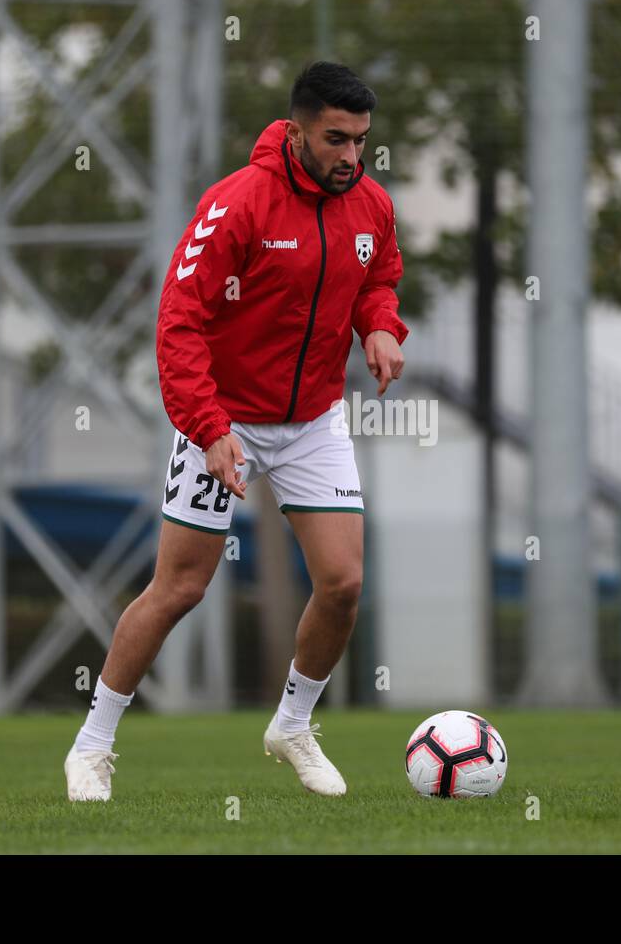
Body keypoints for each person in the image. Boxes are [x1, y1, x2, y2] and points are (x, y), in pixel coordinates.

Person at [65, 60, 408, 800]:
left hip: (314, 418)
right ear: (296, 131)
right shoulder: (238, 204)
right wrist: (209, 425)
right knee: (180, 588)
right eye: (336, 139)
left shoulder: (371, 205)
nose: (351, 157)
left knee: (344, 583)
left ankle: (292, 725)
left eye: (362, 142)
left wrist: (379, 328)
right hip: (225, 417)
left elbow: (378, 276)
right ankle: (91, 746)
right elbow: (178, 320)